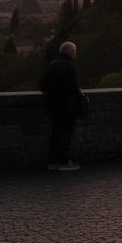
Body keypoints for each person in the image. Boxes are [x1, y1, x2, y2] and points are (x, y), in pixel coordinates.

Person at [40, 41, 84, 171]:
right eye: (74, 52)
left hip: (53, 105)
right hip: (67, 106)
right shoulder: (70, 66)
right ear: (70, 52)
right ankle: (64, 162)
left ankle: (53, 162)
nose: (75, 55)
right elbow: (73, 87)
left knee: (55, 134)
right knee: (66, 133)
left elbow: (42, 85)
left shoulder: (51, 65)